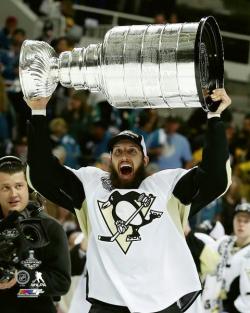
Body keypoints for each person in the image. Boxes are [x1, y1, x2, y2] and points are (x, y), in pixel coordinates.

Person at [25, 88, 231, 313]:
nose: (124, 156)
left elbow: (214, 176)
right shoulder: (91, 185)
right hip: (108, 303)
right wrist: (38, 112)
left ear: (145, 159)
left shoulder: (165, 186)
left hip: (161, 302)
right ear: (110, 160)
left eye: (132, 152)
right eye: (118, 152)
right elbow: (43, 173)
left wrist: (214, 119)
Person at [0, 156, 71, 313]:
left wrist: (20, 277)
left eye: (19, 186)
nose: (13, 194)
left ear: (28, 188)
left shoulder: (50, 227)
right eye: (5, 188)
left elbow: (61, 283)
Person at [202, 202, 250, 313]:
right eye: (238, 219)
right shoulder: (224, 242)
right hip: (211, 304)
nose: (241, 224)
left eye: (246, 221)